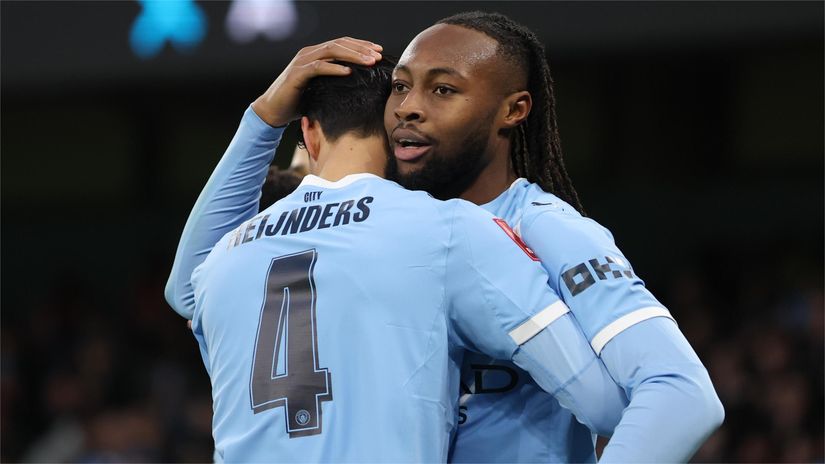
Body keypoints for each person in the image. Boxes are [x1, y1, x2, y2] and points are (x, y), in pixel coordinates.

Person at [165, 46, 628, 461]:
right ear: (400, 133)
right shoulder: (447, 229)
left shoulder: (224, 258)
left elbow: (186, 290)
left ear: (307, 131)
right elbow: (604, 406)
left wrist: (263, 117)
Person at [384, 11, 724, 463]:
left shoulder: (545, 228)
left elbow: (682, 394)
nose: (409, 106)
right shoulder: (387, 232)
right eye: (401, 85)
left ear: (514, 110)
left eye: (443, 89)